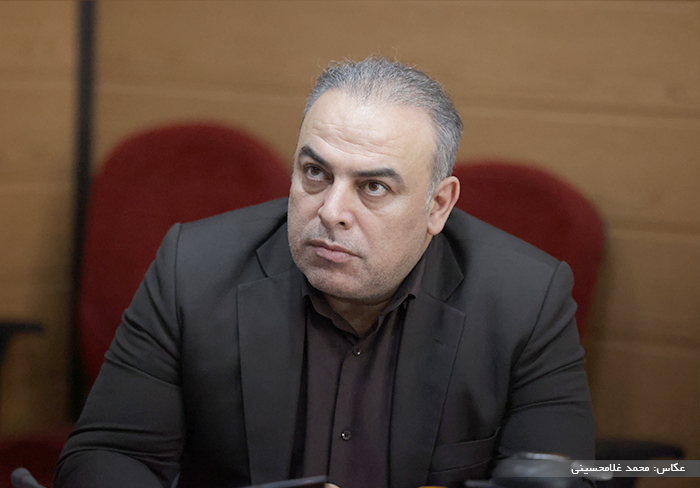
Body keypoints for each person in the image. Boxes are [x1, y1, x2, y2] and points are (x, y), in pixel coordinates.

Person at [55, 56, 594, 488]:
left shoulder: (526, 300)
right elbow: (108, 454)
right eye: (315, 172)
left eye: (373, 187)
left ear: (438, 206)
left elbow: (566, 476)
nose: (331, 211)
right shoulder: (192, 268)